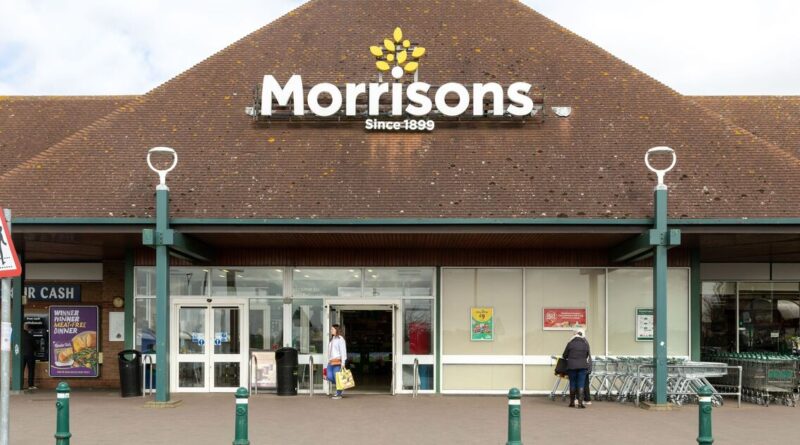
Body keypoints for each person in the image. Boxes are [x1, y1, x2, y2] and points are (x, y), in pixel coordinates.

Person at [562, 326, 590, 408]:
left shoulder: (570, 343)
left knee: (572, 383)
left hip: (572, 366)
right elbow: (587, 355)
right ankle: (580, 403)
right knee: (581, 384)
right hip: (582, 366)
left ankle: (572, 403)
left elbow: (564, 355)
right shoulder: (585, 344)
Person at [326, 324, 347, 400]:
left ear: (336, 330)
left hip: (337, 362)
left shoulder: (340, 339)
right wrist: (328, 360)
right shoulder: (332, 339)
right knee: (329, 376)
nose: (331, 330)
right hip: (331, 362)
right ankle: (341, 385)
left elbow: (343, 351)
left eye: (332, 329)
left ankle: (338, 394)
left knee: (337, 378)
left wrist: (343, 363)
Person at [21, 324, 37, 390]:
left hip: (21, 356)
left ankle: (20, 385)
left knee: (21, 370)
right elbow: (35, 346)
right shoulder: (30, 336)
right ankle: (30, 385)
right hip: (30, 355)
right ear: (28, 328)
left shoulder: (19, 336)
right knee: (31, 370)